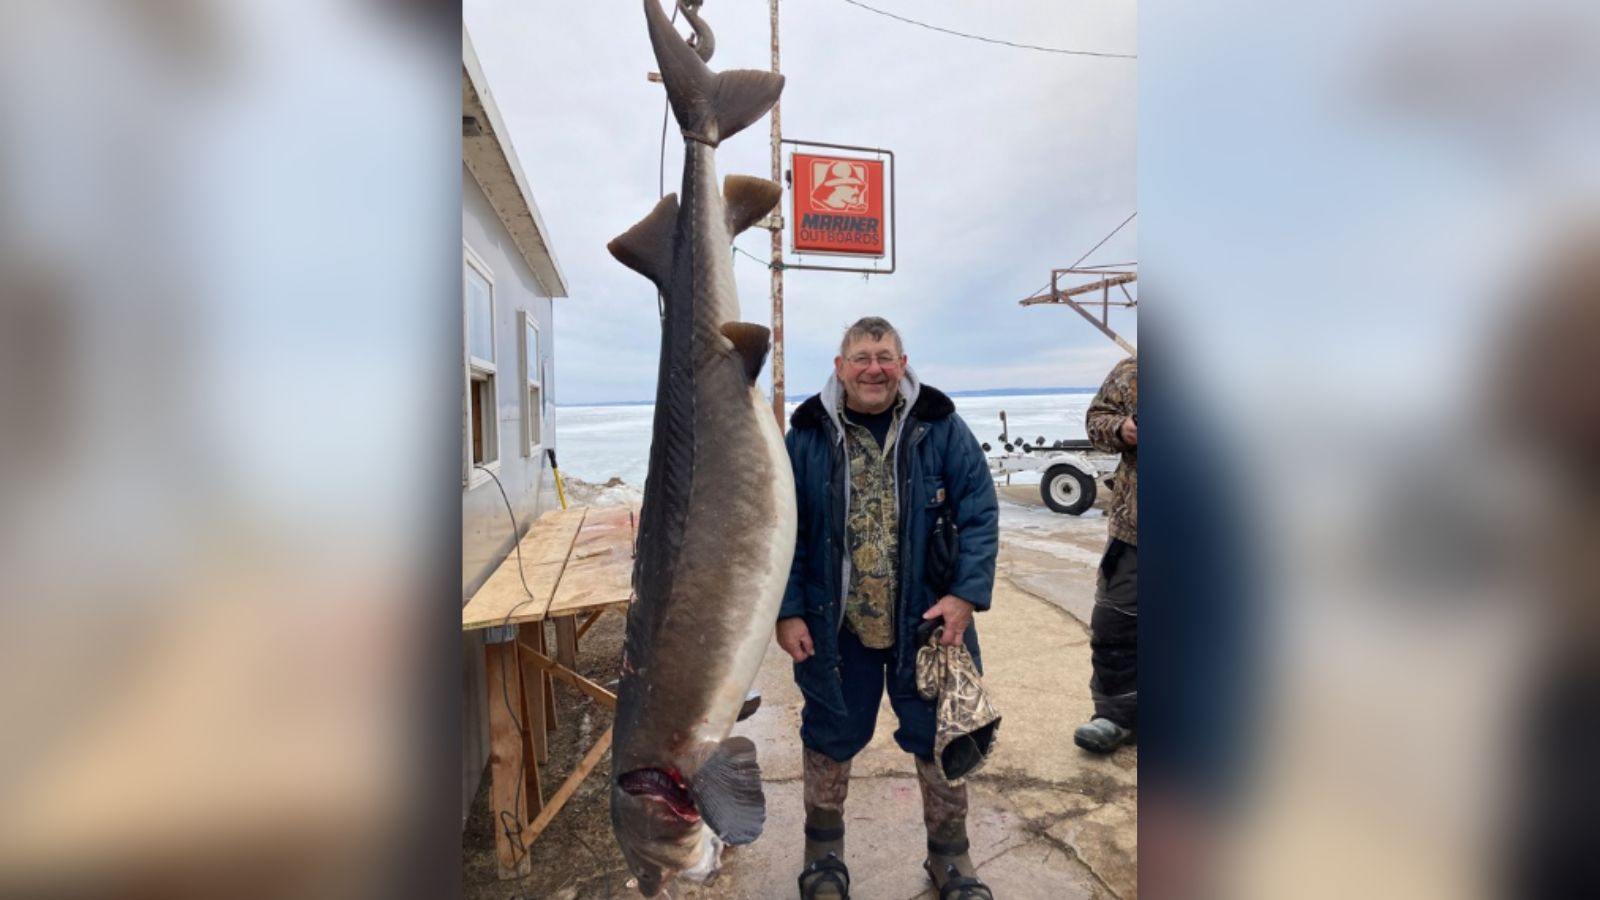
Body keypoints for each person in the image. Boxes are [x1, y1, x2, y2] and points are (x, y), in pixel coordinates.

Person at [776, 317, 1000, 900]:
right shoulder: (806, 435)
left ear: (902, 364)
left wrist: (965, 595)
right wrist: (789, 609)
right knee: (829, 734)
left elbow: (979, 512)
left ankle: (950, 857)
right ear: (840, 366)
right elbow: (783, 532)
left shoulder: (939, 425)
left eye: (884, 357)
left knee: (938, 735)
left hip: (927, 622)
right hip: (835, 624)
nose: (873, 369)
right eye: (861, 357)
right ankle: (823, 855)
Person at [1075, 354, 1139, 753]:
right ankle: (1116, 716)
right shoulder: (1133, 371)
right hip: (1135, 531)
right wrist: (1122, 428)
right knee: (1115, 623)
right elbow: (1097, 420)